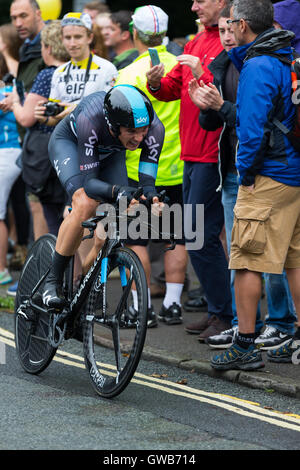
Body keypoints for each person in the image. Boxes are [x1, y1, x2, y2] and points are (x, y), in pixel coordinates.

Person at [189, 5, 297, 350]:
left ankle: (244, 344)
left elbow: (252, 130)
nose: (228, 29)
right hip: (292, 171)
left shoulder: (259, 64)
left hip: (266, 173)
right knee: (294, 260)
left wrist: (246, 173)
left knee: (248, 261)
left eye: (232, 22)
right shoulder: (285, 55)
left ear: (243, 24)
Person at [146, 0, 233, 340]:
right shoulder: (195, 43)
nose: (194, 5)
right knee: (200, 237)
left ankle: (225, 315)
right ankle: (219, 311)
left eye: (202, 0)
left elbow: (222, 93)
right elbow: (170, 90)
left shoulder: (228, 41)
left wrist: (199, 71)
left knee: (201, 238)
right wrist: (155, 83)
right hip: (190, 155)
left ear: (223, 3)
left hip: (213, 155)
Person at [43, 85, 165, 310]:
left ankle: (86, 283)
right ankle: (53, 282)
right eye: (131, 131)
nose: (139, 138)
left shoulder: (155, 129)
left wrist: (152, 198)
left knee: (118, 217)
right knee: (85, 202)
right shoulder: (91, 118)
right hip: (69, 143)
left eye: (143, 130)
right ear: (113, 125)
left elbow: (147, 183)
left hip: (111, 153)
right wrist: (119, 191)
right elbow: (90, 184)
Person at [115, 5, 187, 327]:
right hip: (179, 167)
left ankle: (140, 308)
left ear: (134, 34)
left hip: (138, 169)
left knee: (136, 240)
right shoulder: (183, 67)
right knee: (177, 237)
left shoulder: (128, 73)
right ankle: (173, 304)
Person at [11, 20, 70, 238]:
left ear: (49, 47)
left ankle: (45, 264)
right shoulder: (72, 71)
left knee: (46, 213)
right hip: (70, 151)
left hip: (45, 154)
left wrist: (16, 101)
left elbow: (27, 118)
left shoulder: (47, 74)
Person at [3, 0, 45, 296]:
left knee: (40, 209)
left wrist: (17, 102)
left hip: (42, 140)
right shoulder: (30, 47)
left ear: (39, 14)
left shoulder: (42, 46)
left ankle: (40, 278)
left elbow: (29, 104)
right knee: (34, 209)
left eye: (23, 15)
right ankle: (39, 276)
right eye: (13, 17)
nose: (18, 21)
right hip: (30, 142)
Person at [0, 25, 22, 286]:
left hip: (8, 153)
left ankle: (2, 270)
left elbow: (19, 83)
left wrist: (6, 52)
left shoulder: (14, 82)